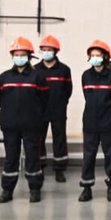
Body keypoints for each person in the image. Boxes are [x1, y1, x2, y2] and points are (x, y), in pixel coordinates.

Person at [0, 37, 49, 204]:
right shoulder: (4, 77)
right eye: (16, 54)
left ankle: (34, 189)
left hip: (32, 125)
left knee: (33, 157)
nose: (19, 57)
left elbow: (44, 99)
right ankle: (7, 190)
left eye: (22, 54)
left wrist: (36, 117)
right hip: (10, 125)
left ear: (29, 56)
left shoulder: (38, 77)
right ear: (12, 56)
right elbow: (0, 99)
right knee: (11, 158)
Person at [79, 40, 111, 202]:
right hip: (90, 122)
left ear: (105, 57)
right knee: (88, 156)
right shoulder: (85, 76)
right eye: (92, 55)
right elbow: (88, 98)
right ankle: (86, 188)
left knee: (110, 155)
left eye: (97, 55)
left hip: (108, 123)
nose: (94, 58)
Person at [37, 35, 73, 183]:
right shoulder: (36, 69)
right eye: (44, 50)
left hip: (58, 110)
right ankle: (40, 167)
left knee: (59, 139)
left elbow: (68, 90)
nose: (46, 52)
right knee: (39, 139)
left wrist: (61, 103)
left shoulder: (64, 70)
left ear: (55, 51)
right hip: (40, 111)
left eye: (49, 50)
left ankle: (59, 169)